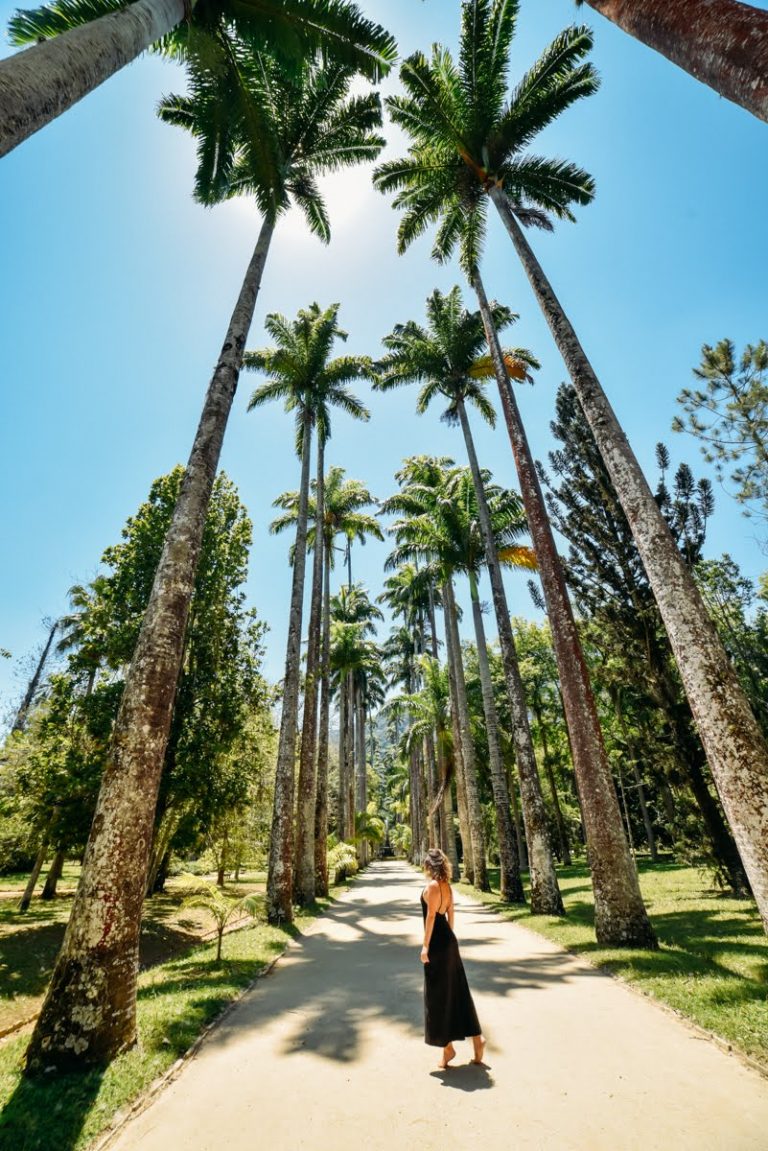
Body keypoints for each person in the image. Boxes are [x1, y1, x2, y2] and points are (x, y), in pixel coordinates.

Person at [420, 847, 485, 1069]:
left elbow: (430, 917)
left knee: (437, 996)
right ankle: (477, 1040)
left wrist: (426, 946)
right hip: (449, 941)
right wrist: (450, 941)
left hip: (438, 945)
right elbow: (451, 915)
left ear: (430, 865)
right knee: (459, 992)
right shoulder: (447, 886)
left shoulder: (433, 886)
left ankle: (447, 1049)